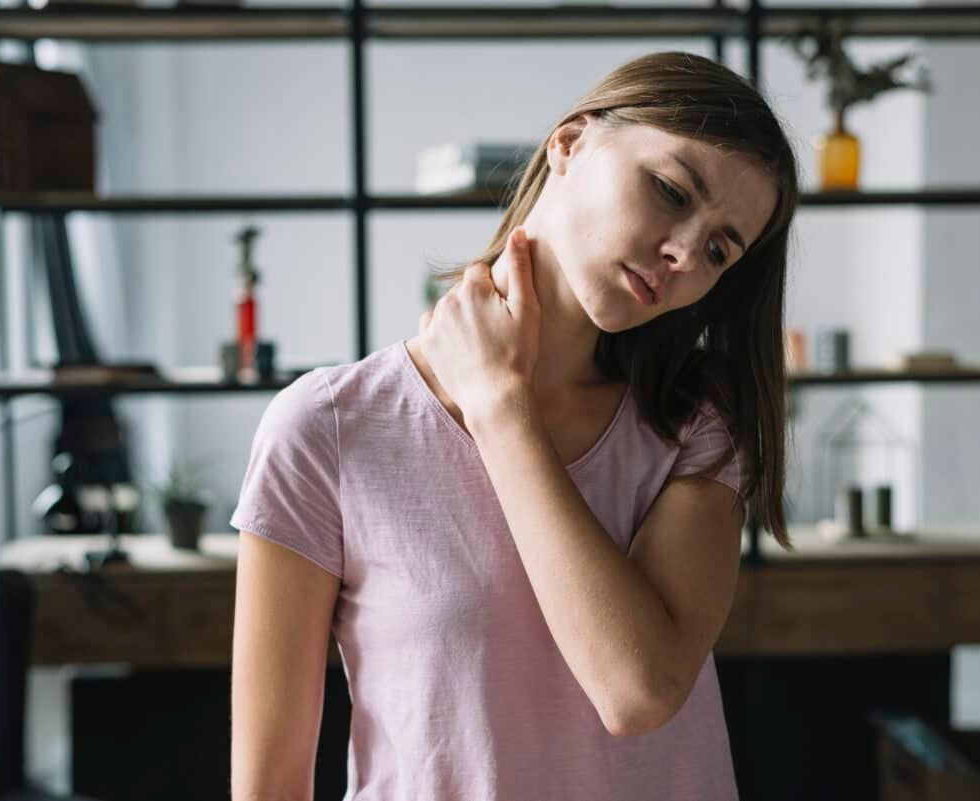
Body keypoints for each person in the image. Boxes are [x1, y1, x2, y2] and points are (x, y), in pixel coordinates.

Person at [230, 50, 799, 801]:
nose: (684, 253)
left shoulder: (699, 427)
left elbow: (638, 690)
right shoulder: (328, 429)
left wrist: (502, 409)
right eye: (669, 189)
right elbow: (269, 785)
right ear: (569, 143)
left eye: (721, 248)